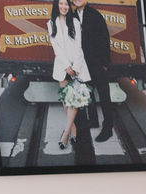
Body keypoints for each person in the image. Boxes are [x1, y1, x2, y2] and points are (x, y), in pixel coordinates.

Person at [48, 0, 90, 150]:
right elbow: (56, 47)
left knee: (74, 100)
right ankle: (73, 129)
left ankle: (65, 134)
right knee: (66, 100)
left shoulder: (75, 22)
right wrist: (66, 65)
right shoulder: (51, 23)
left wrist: (76, 66)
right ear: (56, 5)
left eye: (66, 4)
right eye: (61, 4)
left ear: (69, 6)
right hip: (62, 66)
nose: (64, 7)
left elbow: (79, 46)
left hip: (77, 66)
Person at [73, 0, 113, 142]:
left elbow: (105, 38)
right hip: (83, 64)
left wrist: (105, 63)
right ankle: (93, 120)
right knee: (88, 93)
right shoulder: (72, 16)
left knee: (104, 96)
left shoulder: (95, 15)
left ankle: (108, 128)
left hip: (97, 63)